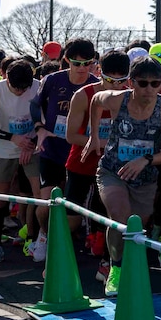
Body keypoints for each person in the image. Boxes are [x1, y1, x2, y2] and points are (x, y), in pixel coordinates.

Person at [83, 56, 161, 296]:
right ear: (131, 83)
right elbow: (95, 100)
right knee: (120, 217)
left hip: (145, 177)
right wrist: (93, 136)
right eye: (143, 83)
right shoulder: (117, 100)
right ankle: (115, 268)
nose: (149, 89)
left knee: (136, 226)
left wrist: (145, 160)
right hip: (112, 170)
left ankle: (129, 265)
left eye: (155, 83)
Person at [32, 38, 99, 263]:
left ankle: (63, 246)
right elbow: (35, 104)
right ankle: (43, 235)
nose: (82, 69)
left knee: (71, 206)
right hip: (51, 149)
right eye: (76, 63)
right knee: (47, 202)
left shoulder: (96, 85)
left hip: (79, 152)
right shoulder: (52, 80)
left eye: (87, 63)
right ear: (66, 61)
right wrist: (39, 128)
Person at [64, 50, 129, 276]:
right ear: (99, 72)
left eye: (122, 81)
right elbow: (71, 135)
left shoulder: (131, 96)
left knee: (112, 217)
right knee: (71, 219)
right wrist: (100, 142)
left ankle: (107, 264)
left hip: (112, 166)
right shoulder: (84, 95)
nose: (116, 85)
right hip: (82, 162)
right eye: (111, 80)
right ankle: (60, 260)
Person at [0, 61, 41, 263]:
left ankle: (34, 238)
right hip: (3, 146)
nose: (20, 92)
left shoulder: (39, 86)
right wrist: (12, 138)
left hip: (32, 146)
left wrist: (32, 142)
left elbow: (48, 120)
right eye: (15, 88)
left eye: (24, 88)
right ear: (6, 79)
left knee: (39, 195)